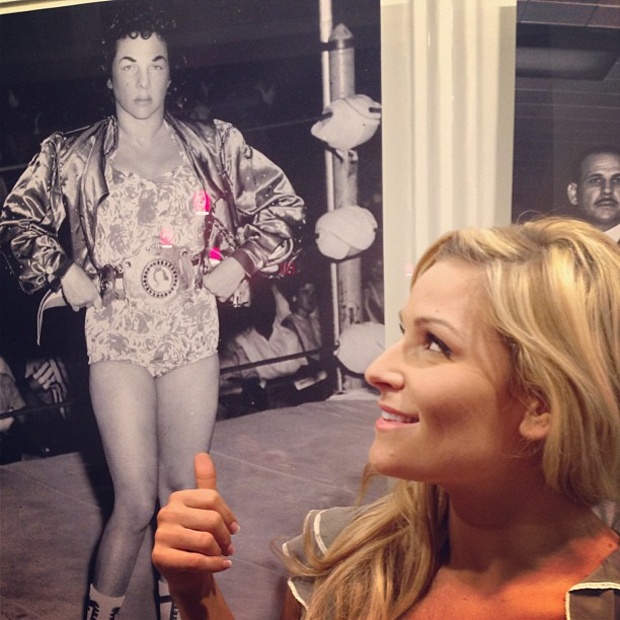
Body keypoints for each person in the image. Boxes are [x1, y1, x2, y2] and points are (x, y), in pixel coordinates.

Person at [152, 217, 619, 619]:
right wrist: (196, 593)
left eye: (435, 344)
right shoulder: (347, 555)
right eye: (403, 332)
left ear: (540, 403)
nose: (376, 370)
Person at [0, 5, 304, 619]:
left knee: (183, 496)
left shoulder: (214, 144)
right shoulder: (70, 154)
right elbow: (15, 220)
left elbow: (284, 207)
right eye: (128, 66)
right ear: (109, 76)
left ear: (170, 73)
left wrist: (240, 260)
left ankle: (179, 610)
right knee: (137, 501)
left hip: (191, 327)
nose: (142, 81)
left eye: (155, 65)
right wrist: (63, 271)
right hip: (117, 332)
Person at [567, 145, 620, 242]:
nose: (607, 190)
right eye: (595, 180)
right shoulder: (556, 247)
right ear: (573, 194)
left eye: (617, 180)